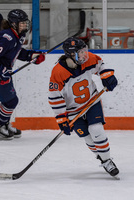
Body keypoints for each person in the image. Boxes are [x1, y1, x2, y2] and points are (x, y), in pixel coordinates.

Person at [48, 37, 119, 178]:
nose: (84, 55)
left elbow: (100, 64)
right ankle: (101, 156)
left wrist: (107, 76)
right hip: (73, 112)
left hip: (91, 102)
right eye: (80, 53)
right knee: (88, 138)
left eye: (84, 51)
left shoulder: (88, 59)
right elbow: (55, 97)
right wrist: (62, 120)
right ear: (70, 55)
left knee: (96, 129)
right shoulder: (58, 72)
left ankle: (107, 161)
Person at [0, 9, 45, 140]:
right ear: (14, 24)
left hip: (2, 71)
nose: (25, 25)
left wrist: (32, 56)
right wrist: (1, 72)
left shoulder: (18, 35)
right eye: (22, 23)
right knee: (11, 101)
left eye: (25, 22)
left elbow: (17, 51)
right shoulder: (6, 38)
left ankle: (4, 124)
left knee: (10, 100)